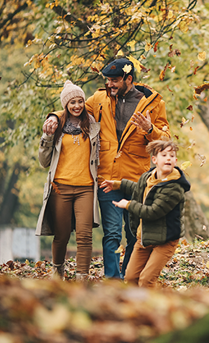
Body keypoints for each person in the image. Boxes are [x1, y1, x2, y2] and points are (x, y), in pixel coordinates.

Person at [43, 58, 171, 279]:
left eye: (114, 80)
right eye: (108, 80)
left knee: (133, 234)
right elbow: (74, 109)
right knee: (112, 233)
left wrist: (149, 128)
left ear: (128, 79)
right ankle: (113, 279)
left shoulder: (153, 103)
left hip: (136, 179)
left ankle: (129, 277)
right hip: (106, 178)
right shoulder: (100, 99)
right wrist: (54, 116)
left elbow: (166, 139)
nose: (110, 85)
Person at [99, 139, 190, 287]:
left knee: (146, 280)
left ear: (176, 160)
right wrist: (118, 184)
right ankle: (136, 307)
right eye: (164, 155)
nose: (168, 158)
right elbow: (140, 189)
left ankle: (156, 308)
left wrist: (128, 204)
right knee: (130, 278)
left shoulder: (174, 188)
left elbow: (152, 212)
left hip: (165, 240)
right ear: (154, 159)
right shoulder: (148, 177)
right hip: (145, 237)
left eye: (172, 156)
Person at [36, 80, 100, 281]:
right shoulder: (56, 125)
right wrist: (47, 137)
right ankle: (58, 273)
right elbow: (44, 162)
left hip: (86, 188)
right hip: (60, 188)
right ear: (65, 105)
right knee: (61, 235)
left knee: (84, 235)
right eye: (72, 102)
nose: (77, 106)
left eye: (80, 101)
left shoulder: (92, 125)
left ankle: (82, 277)